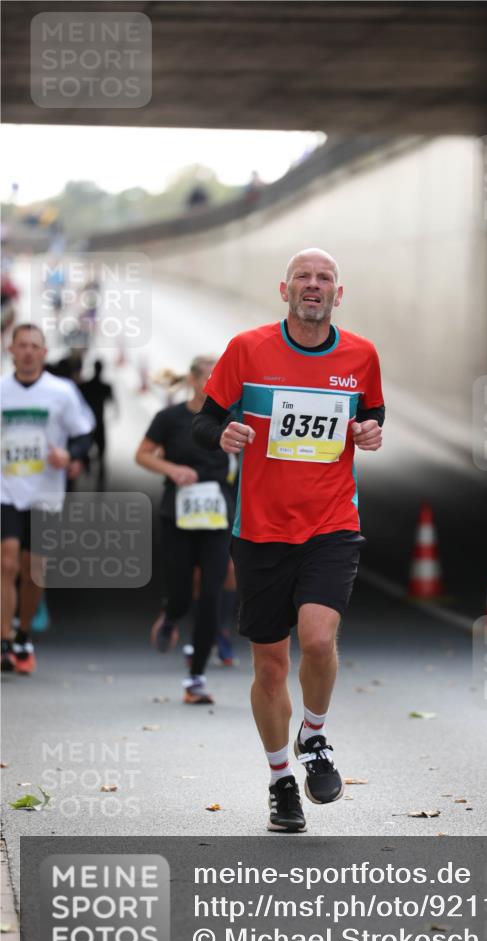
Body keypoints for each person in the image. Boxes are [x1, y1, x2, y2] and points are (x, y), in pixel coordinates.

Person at [193, 247, 384, 832]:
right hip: (260, 531)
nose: (313, 285)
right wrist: (221, 434)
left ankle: (316, 737)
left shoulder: (360, 355)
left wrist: (371, 431)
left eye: (324, 277)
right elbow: (204, 419)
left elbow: (372, 414)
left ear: (337, 294)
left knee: (319, 639)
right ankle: (280, 782)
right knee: (271, 667)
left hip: (332, 523)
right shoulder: (248, 351)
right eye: (303, 276)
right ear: (285, 289)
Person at [135, 356, 233, 705]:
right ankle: (171, 615)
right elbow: (142, 455)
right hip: (177, 514)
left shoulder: (230, 419)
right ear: (192, 381)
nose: (214, 384)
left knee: (210, 595)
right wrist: (173, 469)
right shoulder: (170, 418)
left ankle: (196, 678)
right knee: (180, 593)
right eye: (208, 377)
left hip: (217, 517)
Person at [1, 324, 94, 674]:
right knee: (6, 563)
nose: (27, 351)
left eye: (34, 346)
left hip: (45, 491)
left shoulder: (62, 392)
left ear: (43, 352)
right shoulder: (2, 390)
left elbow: (84, 433)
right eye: (21, 345)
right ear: (11, 350)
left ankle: (23, 633)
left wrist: (69, 457)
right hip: (6, 488)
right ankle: (5, 639)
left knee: (33, 570)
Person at [80, 359, 115, 484]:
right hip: (99, 423)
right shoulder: (105, 387)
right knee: (101, 453)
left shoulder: (85, 385)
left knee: (86, 449)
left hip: (88, 424)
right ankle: (100, 478)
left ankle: (89, 470)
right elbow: (113, 405)